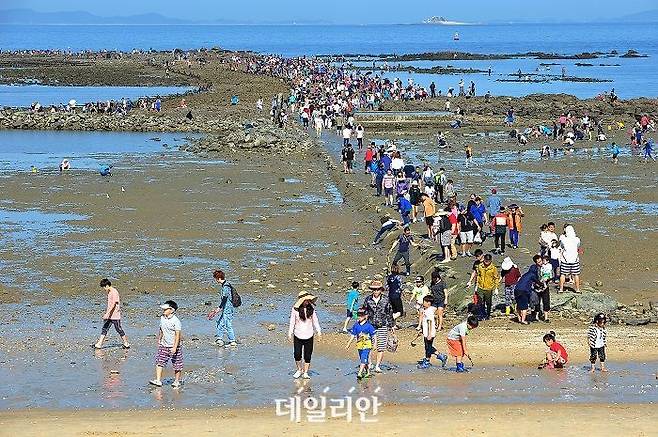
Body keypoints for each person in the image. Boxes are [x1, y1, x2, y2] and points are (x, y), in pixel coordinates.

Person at [288, 291, 321, 379]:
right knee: (297, 354)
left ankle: (306, 372)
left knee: (308, 355)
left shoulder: (312, 309)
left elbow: (315, 321)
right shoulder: (295, 309)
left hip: (309, 335)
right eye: (306, 300)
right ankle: (299, 370)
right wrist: (290, 332)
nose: (307, 302)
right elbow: (292, 321)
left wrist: (319, 332)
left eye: (308, 300)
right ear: (301, 300)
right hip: (297, 335)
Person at [363, 280, 395, 373]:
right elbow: (364, 312)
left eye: (377, 289)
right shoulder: (368, 299)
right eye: (374, 289)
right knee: (369, 346)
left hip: (382, 325)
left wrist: (392, 325)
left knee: (381, 347)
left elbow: (389, 312)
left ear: (381, 290)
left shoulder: (386, 299)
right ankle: (369, 364)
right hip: (370, 325)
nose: (375, 291)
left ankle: (377, 366)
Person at [149, 300, 183, 388]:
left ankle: (176, 381)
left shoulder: (176, 321)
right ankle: (158, 380)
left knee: (177, 364)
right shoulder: (162, 318)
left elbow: (177, 335)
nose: (163, 311)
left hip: (174, 346)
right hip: (164, 344)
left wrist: (175, 347)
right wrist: (159, 339)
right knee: (159, 361)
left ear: (171, 310)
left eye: (165, 309)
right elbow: (161, 329)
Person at [93, 278, 130, 349]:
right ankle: (99, 344)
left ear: (107, 285)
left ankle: (126, 343)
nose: (104, 289)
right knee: (104, 328)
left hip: (115, 315)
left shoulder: (114, 292)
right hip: (109, 316)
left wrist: (107, 313)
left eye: (104, 287)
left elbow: (114, 304)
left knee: (118, 329)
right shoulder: (109, 292)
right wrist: (107, 314)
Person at [345, 308, 376, 380]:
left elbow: (374, 335)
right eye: (358, 315)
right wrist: (348, 344)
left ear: (365, 316)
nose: (359, 317)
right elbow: (353, 335)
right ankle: (368, 372)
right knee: (363, 359)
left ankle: (360, 373)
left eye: (361, 315)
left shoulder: (369, 326)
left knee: (364, 359)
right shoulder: (356, 325)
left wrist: (374, 344)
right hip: (359, 345)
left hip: (367, 345)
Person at [416, 295, 447, 369]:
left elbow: (429, 322)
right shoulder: (426, 310)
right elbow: (425, 322)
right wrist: (422, 330)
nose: (423, 303)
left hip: (430, 332)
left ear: (428, 303)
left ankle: (438, 357)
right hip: (426, 332)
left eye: (424, 302)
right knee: (428, 347)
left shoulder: (429, 311)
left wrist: (429, 334)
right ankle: (429, 360)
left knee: (428, 347)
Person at [210, 270, 237, 346]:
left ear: (218, 278)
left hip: (228, 309)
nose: (215, 281)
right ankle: (219, 339)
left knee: (228, 324)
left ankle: (232, 341)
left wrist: (219, 308)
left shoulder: (225, 286)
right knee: (220, 323)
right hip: (226, 308)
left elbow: (225, 298)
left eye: (215, 279)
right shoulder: (226, 285)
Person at [475, 254, 500, 320]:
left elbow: (496, 278)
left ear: (491, 261)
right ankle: (482, 314)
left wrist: (496, 288)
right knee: (480, 301)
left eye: (488, 261)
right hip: (480, 287)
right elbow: (478, 275)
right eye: (485, 261)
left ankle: (488, 314)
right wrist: (476, 285)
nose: (486, 263)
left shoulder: (493, 268)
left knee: (488, 302)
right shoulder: (480, 266)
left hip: (489, 288)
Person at [559, 225, 582, 294]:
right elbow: (578, 246)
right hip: (575, 259)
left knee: (562, 274)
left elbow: (562, 246)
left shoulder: (564, 240)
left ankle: (561, 289)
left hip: (565, 260)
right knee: (576, 274)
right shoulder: (577, 239)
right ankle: (577, 289)